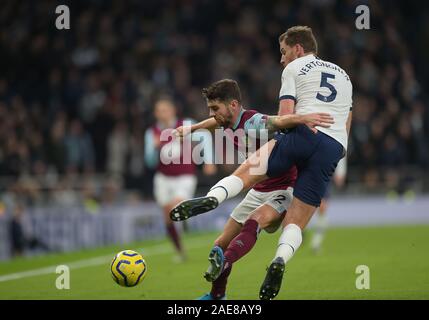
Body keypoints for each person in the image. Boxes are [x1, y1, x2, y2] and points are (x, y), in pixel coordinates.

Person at [170, 26, 353, 300]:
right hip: (331, 145)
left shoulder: (261, 111)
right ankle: (224, 291)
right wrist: (192, 128)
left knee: (252, 189)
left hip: (282, 188)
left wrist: (300, 121)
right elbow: (346, 119)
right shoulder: (345, 76)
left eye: (283, 52)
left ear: (297, 49)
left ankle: (214, 199)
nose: (282, 59)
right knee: (220, 243)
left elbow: (281, 118)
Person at [144, 98, 216, 262]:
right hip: (163, 178)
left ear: (173, 110)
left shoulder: (185, 124)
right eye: (160, 111)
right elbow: (149, 162)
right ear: (156, 114)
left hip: (185, 176)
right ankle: (180, 251)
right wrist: (155, 148)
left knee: (173, 206)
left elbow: (205, 136)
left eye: (166, 110)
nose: (163, 114)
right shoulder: (151, 133)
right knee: (167, 216)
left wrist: (209, 161)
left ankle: (185, 215)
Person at [311, 157, 347, 254]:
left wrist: (340, 173)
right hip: (309, 174)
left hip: (324, 175)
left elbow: (341, 155)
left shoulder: (337, 144)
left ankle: (316, 242)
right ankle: (298, 232)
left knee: (322, 208)